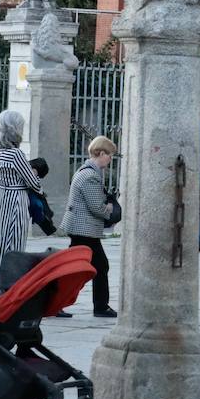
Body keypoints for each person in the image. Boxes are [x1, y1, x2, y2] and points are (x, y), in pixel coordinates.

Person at [61, 136, 118, 318]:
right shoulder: (90, 176)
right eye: (109, 155)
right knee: (95, 267)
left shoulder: (88, 172)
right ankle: (100, 307)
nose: (110, 159)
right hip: (83, 230)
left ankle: (99, 306)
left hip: (83, 229)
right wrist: (109, 209)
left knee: (80, 268)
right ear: (101, 153)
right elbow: (97, 207)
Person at [0, 110, 41, 285]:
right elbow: (34, 184)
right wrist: (34, 173)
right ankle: (9, 285)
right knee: (15, 245)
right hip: (15, 200)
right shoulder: (16, 154)